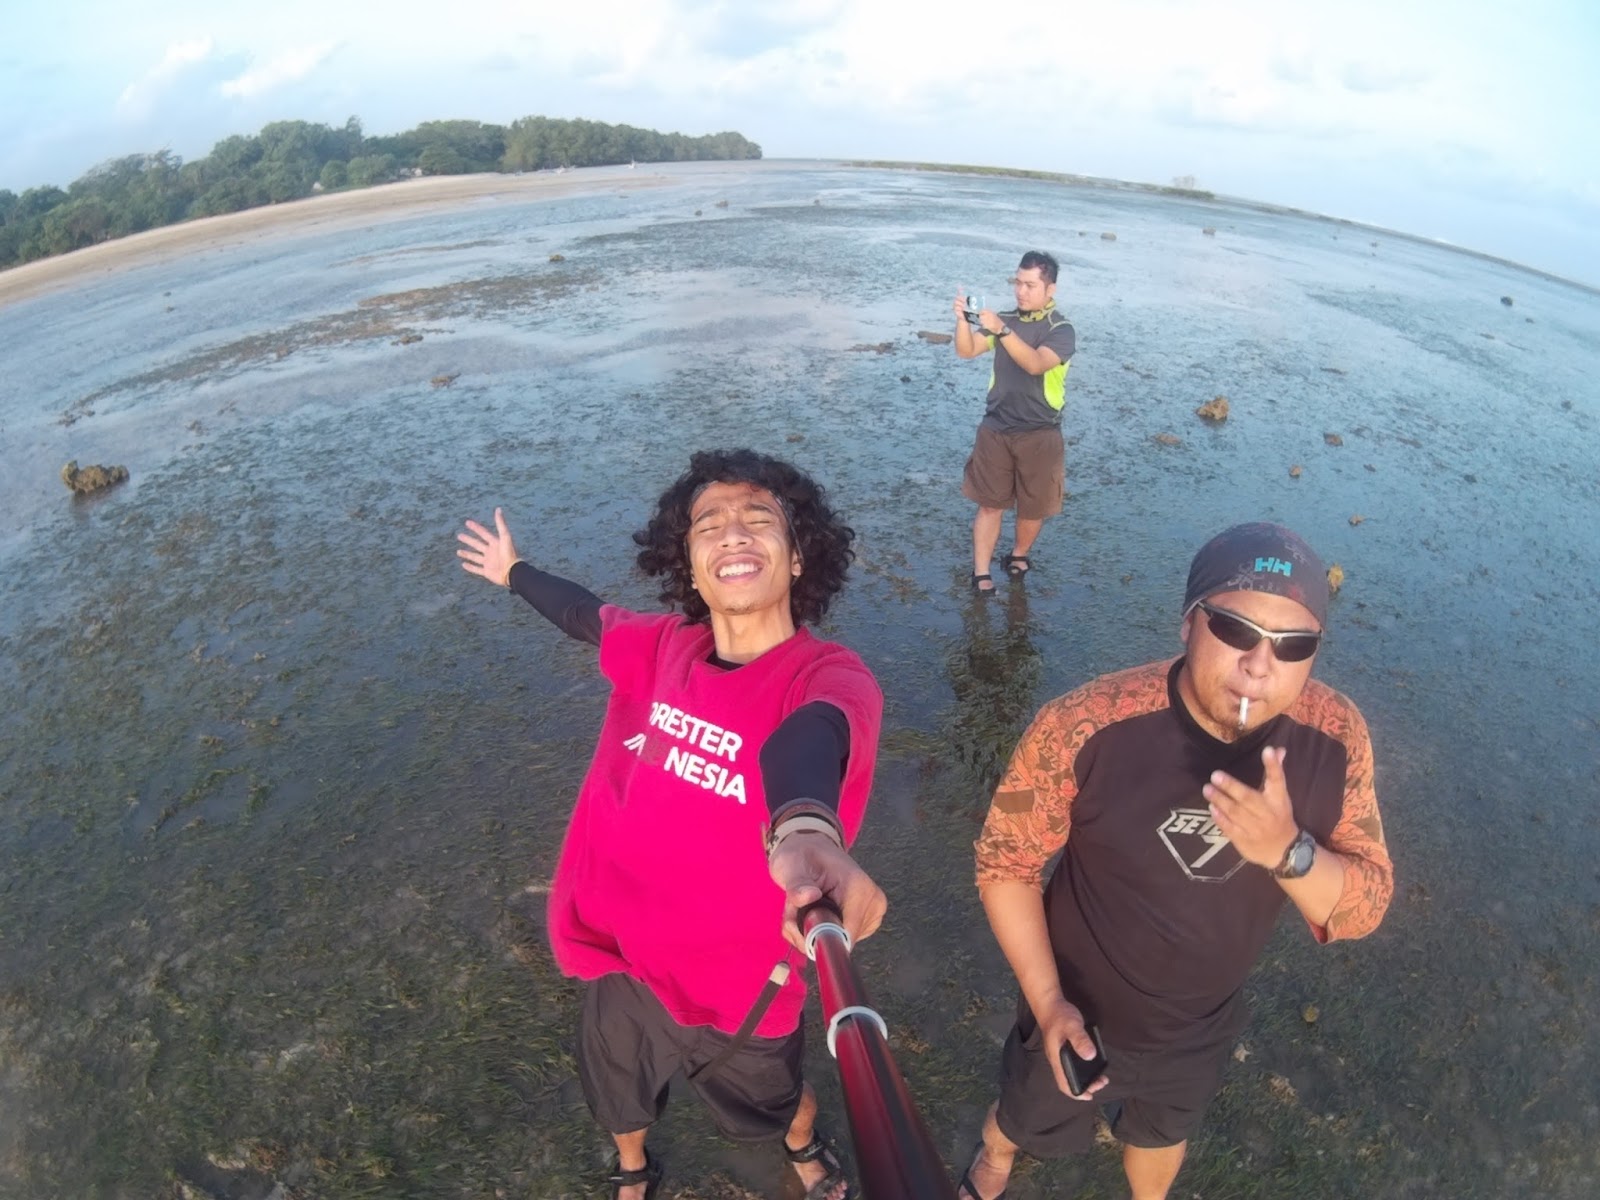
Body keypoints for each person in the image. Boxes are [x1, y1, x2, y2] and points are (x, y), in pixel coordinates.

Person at [457, 449, 886, 1200]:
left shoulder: (827, 677)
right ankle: (633, 1165)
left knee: (771, 1106)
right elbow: (583, 615)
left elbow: (810, 741)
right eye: (707, 525)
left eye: (758, 519)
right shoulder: (662, 647)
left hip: (747, 983)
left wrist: (803, 828)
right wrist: (513, 571)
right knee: (618, 1098)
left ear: (798, 557)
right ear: (688, 563)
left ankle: (801, 1142)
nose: (732, 533)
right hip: (623, 959)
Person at [959, 522, 1394, 1200]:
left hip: (1199, 1026)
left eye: (1293, 644)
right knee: (1023, 1116)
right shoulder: (1086, 724)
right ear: (1189, 622)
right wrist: (1047, 1004)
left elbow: (1365, 906)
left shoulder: (1336, 739)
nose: (1260, 665)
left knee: (1161, 1136)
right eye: (1237, 629)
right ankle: (995, 1156)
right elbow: (1004, 864)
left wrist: (1289, 852)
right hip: (1071, 1006)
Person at [952, 251, 1077, 594]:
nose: (1021, 291)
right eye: (1017, 283)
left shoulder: (1061, 330)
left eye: (1030, 285)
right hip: (996, 428)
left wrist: (1002, 330)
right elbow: (966, 350)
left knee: (1032, 508)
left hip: (1040, 431)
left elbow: (1036, 363)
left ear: (1050, 289)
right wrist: (963, 321)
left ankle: (1019, 554)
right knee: (990, 504)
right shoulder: (1004, 320)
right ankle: (981, 572)